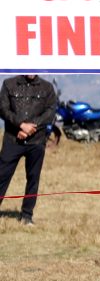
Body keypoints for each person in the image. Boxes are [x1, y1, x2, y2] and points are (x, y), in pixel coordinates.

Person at [0, 75, 57, 226]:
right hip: (12, 140)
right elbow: (3, 109)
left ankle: (26, 216)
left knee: (33, 178)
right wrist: (20, 125)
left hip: (36, 142)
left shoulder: (47, 88)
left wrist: (30, 128)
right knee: (2, 176)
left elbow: (50, 113)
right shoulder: (9, 84)